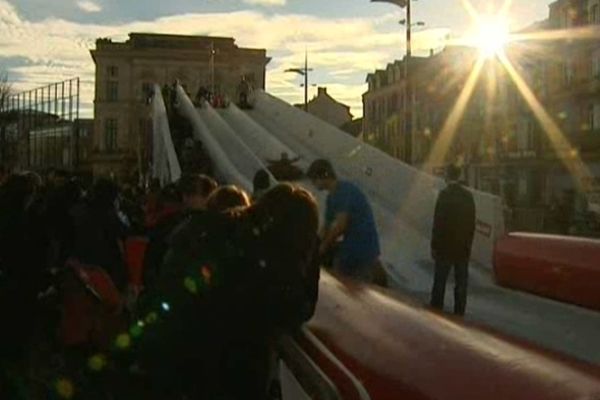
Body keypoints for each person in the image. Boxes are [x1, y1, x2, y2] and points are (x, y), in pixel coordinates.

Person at [307, 159, 381, 282]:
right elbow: (326, 227)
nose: (313, 184)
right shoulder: (331, 198)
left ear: (323, 176)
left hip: (362, 247)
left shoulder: (344, 191)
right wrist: (314, 245)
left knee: (341, 279)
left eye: (314, 180)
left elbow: (341, 225)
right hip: (351, 246)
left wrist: (323, 247)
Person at [430, 164, 476, 316]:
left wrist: (434, 246)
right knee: (461, 284)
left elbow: (438, 223)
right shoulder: (468, 196)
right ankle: (459, 314)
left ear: (447, 176)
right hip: (462, 247)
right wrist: (468, 245)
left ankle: (436, 312)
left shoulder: (444, 195)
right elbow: (472, 223)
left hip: (444, 247)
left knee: (440, 282)